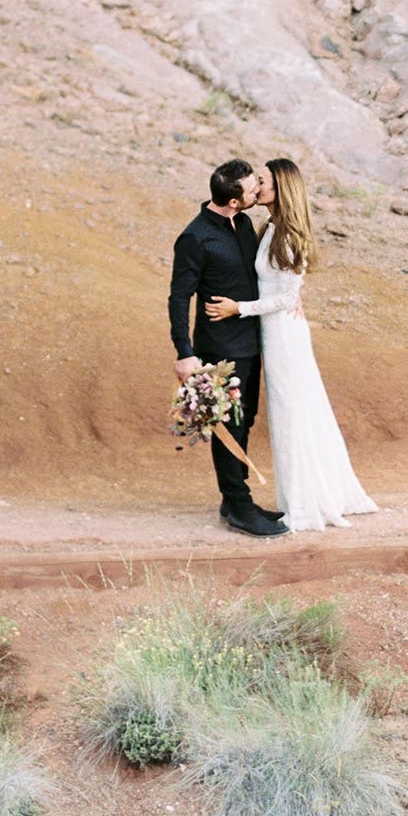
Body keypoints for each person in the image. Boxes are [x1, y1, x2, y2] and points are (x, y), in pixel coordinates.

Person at [204, 157, 377, 533]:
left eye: (262, 180)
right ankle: (299, 494)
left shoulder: (290, 234)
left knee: (291, 416)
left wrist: (239, 308)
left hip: (285, 337)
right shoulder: (269, 227)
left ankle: (302, 503)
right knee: (290, 414)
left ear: (280, 188)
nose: (256, 185)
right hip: (271, 333)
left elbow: (285, 297)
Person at [168, 159, 289, 538]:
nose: (258, 191)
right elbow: (178, 297)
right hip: (219, 350)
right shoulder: (196, 237)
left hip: (251, 344)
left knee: (246, 419)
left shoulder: (246, 224)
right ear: (234, 200)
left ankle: (234, 500)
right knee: (229, 427)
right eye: (252, 188)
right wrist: (184, 352)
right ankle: (238, 505)